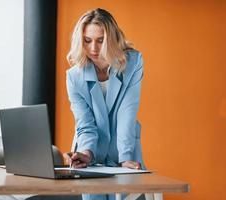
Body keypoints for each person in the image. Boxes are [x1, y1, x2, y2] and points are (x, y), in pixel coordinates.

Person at [63, 8, 145, 200]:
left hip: (124, 148)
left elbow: (127, 111)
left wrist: (125, 157)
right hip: (89, 154)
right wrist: (85, 153)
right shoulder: (74, 77)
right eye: (87, 40)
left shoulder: (133, 62)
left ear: (112, 38)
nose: (93, 48)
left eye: (100, 40)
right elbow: (85, 124)